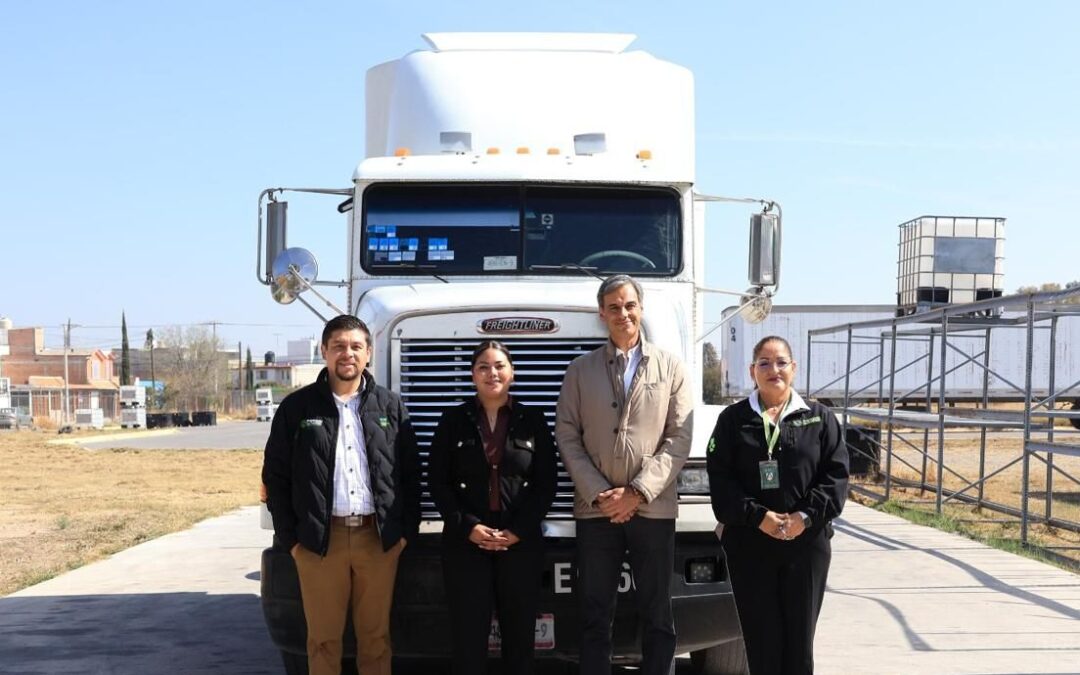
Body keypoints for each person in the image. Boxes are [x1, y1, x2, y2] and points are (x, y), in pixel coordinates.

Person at [262, 314, 420, 675]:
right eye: (338, 346)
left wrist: (403, 535)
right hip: (319, 543)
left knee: (376, 639)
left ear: (368, 353)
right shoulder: (297, 409)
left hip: (377, 541)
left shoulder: (391, 407)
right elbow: (276, 476)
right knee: (322, 641)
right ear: (324, 351)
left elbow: (410, 475)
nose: (347, 354)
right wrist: (293, 541)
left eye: (355, 346)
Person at [555, 274, 693, 675]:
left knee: (657, 612)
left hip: (653, 510)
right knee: (595, 613)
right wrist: (601, 494)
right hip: (596, 512)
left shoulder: (671, 368)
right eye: (613, 307)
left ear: (641, 309)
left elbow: (679, 436)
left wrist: (638, 492)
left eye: (629, 305)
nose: (623, 314)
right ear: (602, 314)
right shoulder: (580, 372)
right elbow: (567, 434)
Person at [705, 335, 849, 675]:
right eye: (765, 363)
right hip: (751, 546)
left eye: (782, 362)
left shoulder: (820, 418)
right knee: (762, 643)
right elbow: (721, 482)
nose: (774, 370)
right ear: (753, 370)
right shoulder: (732, 420)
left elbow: (837, 478)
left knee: (799, 646)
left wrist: (804, 516)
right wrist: (758, 517)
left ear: (794, 368)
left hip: (806, 546)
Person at [428, 340, 557, 674]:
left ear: (512, 373)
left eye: (499, 365)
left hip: (520, 544)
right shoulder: (452, 420)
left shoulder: (534, 421)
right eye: (483, 367)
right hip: (466, 544)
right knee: (468, 643)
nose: (492, 373)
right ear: (473, 375)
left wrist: (517, 531)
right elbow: (438, 483)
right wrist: (468, 527)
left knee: (520, 644)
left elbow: (546, 485)